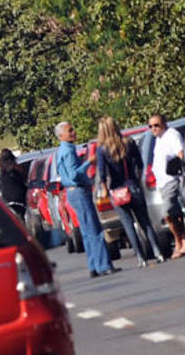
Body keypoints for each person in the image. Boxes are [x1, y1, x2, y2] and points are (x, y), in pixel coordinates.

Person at [97, 116, 165, 267]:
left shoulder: (102, 150)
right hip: (133, 185)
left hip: (117, 190)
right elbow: (140, 164)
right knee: (144, 221)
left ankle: (141, 257)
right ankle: (157, 251)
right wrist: (138, 180)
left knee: (128, 224)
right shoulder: (129, 142)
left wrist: (105, 188)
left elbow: (102, 172)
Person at [55, 121, 120, 277]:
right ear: (61, 135)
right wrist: (89, 162)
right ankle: (103, 265)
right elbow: (74, 175)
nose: (73, 132)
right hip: (78, 191)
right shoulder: (68, 151)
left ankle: (94, 265)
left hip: (74, 192)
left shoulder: (63, 150)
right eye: (70, 131)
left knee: (86, 231)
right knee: (94, 230)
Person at [149, 114, 185, 259]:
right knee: (171, 215)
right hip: (161, 183)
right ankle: (181, 242)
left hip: (172, 180)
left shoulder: (172, 135)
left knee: (169, 212)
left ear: (164, 124)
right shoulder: (158, 140)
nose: (154, 128)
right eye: (151, 126)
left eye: (156, 125)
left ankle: (182, 242)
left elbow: (180, 153)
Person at [0, 148, 27, 219]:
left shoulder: (1, 172)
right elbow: (23, 178)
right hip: (20, 200)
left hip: (8, 201)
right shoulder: (16, 169)